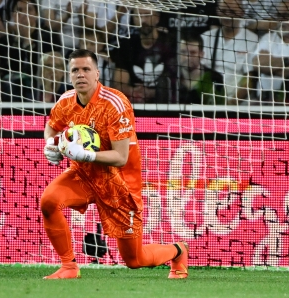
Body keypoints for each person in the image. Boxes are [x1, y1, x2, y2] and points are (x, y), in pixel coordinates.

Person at [41, 49, 188, 279]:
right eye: (75, 70)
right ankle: (69, 266)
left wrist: (84, 155)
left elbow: (121, 157)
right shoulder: (66, 100)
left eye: (86, 69)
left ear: (97, 73)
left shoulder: (115, 104)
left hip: (120, 184)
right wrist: (51, 144)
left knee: (134, 260)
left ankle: (177, 251)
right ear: (69, 75)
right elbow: (52, 125)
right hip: (85, 175)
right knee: (49, 201)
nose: (80, 75)